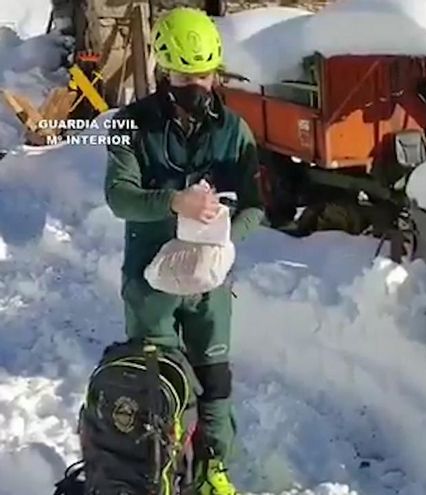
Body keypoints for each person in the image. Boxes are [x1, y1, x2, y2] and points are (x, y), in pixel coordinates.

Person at [103, 7, 264, 494]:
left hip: (209, 281)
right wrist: (175, 201)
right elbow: (118, 196)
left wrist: (227, 235)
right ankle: (158, 469)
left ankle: (214, 468)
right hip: (151, 281)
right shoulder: (130, 124)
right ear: (162, 70)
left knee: (214, 379)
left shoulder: (233, 130)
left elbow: (256, 204)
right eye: (184, 73)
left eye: (205, 73)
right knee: (157, 380)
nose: (196, 83)